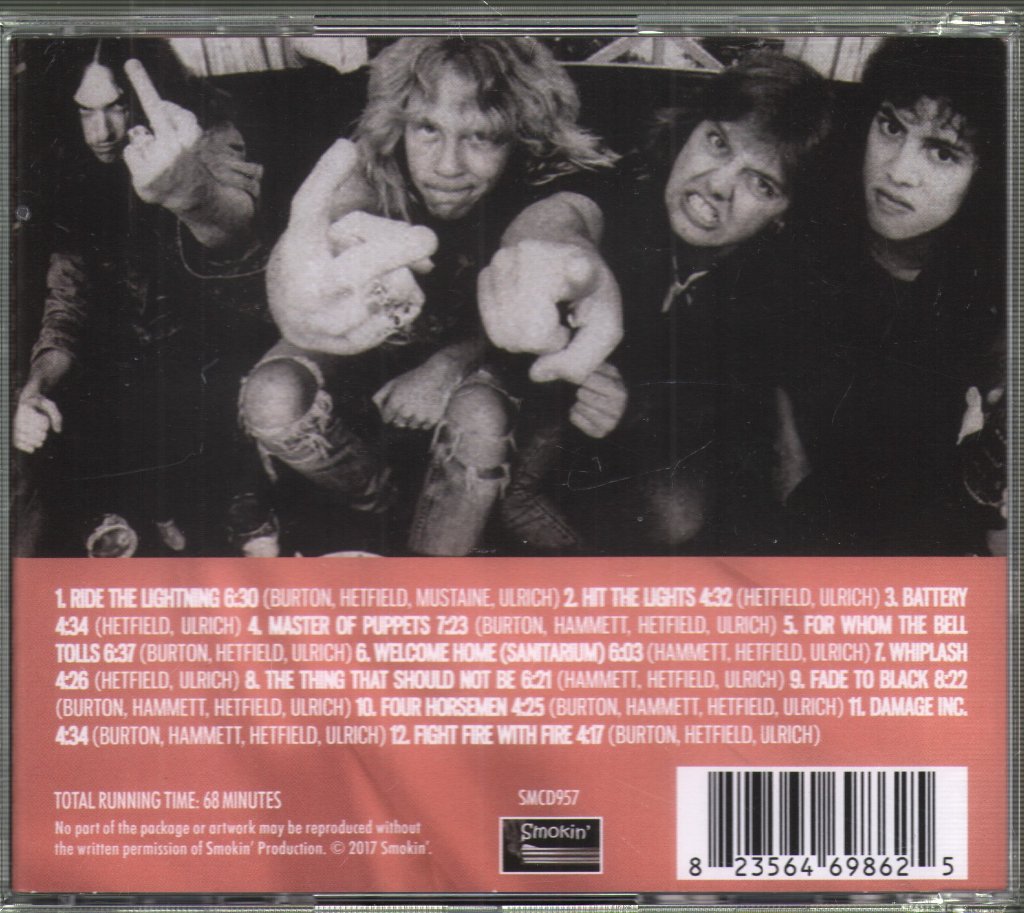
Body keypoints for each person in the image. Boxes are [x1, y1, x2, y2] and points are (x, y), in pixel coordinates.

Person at [239, 37, 625, 556]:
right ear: (400, 123)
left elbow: (554, 227)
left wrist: (452, 361)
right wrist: (309, 266)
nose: (447, 166)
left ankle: (432, 565)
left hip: (487, 388)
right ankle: (380, 506)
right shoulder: (373, 160)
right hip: (373, 375)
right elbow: (339, 213)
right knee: (271, 394)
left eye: (481, 137)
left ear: (521, 136)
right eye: (427, 129)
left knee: (481, 417)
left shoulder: (550, 178)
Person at [555, 52, 834, 554]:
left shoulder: (779, 286)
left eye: (761, 183)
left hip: (650, 462)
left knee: (677, 509)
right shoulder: (628, 184)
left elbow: (726, 414)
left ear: (784, 213)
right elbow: (562, 216)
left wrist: (631, 407)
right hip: (548, 430)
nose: (719, 185)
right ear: (689, 130)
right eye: (718, 142)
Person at [13, 38, 272, 555]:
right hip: (138, 355)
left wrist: (186, 190)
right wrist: (36, 384)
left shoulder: (202, 136)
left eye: (116, 107)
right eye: (85, 111)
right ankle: (147, 510)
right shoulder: (69, 170)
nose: (101, 132)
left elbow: (233, 224)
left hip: (224, 336)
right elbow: (68, 303)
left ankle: (233, 502)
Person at [778, 37, 1007, 555]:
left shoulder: (993, 288)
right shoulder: (810, 209)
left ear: (987, 174)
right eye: (891, 127)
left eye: (942, 152)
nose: (898, 171)